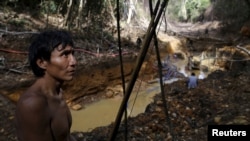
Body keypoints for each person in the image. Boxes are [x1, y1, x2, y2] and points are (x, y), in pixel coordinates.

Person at [15, 30, 77, 141]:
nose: (73, 62)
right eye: (65, 55)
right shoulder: (33, 104)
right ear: (42, 63)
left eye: (73, 54)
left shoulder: (57, 92)